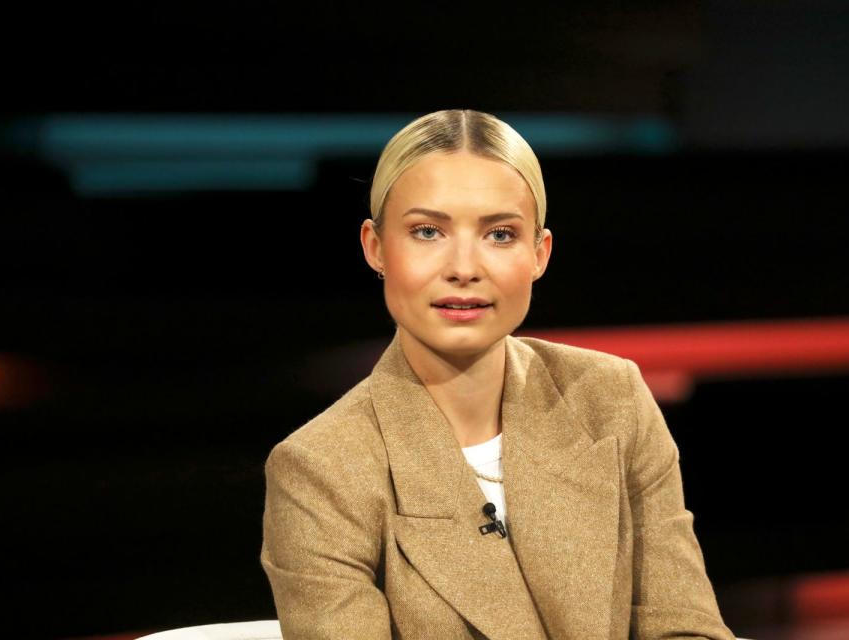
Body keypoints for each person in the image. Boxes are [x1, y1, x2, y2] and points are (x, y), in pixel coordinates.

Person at [260, 109, 735, 639]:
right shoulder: (321, 471)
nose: (464, 267)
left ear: (540, 253)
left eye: (501, 235)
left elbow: (684, 626)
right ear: (375, 248)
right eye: (427, 231)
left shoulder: (610, 399)